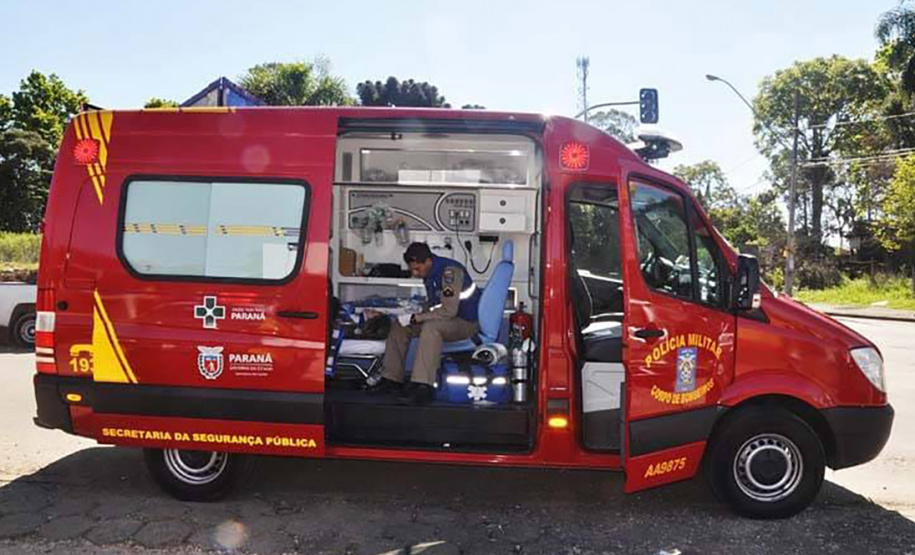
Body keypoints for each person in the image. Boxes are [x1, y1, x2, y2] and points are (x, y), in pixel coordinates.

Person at [366, 242, 481, 405]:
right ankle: (391, 379)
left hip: (465, 323)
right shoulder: (430, 275)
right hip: (448, 320)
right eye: (412, 269)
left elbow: (449, 310)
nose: (414, 273)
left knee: (430, 328)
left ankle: (423, 386)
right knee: (400, 326)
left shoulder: (450, 272)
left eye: (417, 269)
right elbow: (436, 305)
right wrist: (414, 312)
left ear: (428, 261)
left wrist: (417, 318)